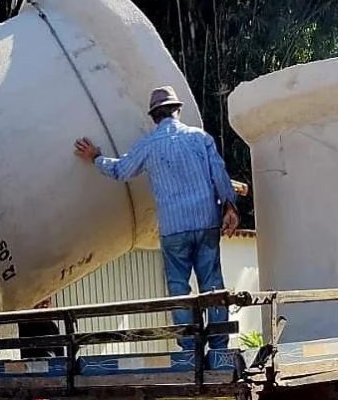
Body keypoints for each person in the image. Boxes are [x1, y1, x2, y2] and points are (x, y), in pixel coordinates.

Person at [74, 86, 239, 352]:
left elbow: (121, 170)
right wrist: (230, 207)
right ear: (178, 110)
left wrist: (96, 157)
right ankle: (219, 347)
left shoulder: (148, 145)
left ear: (154, 117)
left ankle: (190, 349)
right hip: (205, 221)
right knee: (212, 285)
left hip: (174, 227)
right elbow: (219, 174)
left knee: (178, 288)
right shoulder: (200, 138)